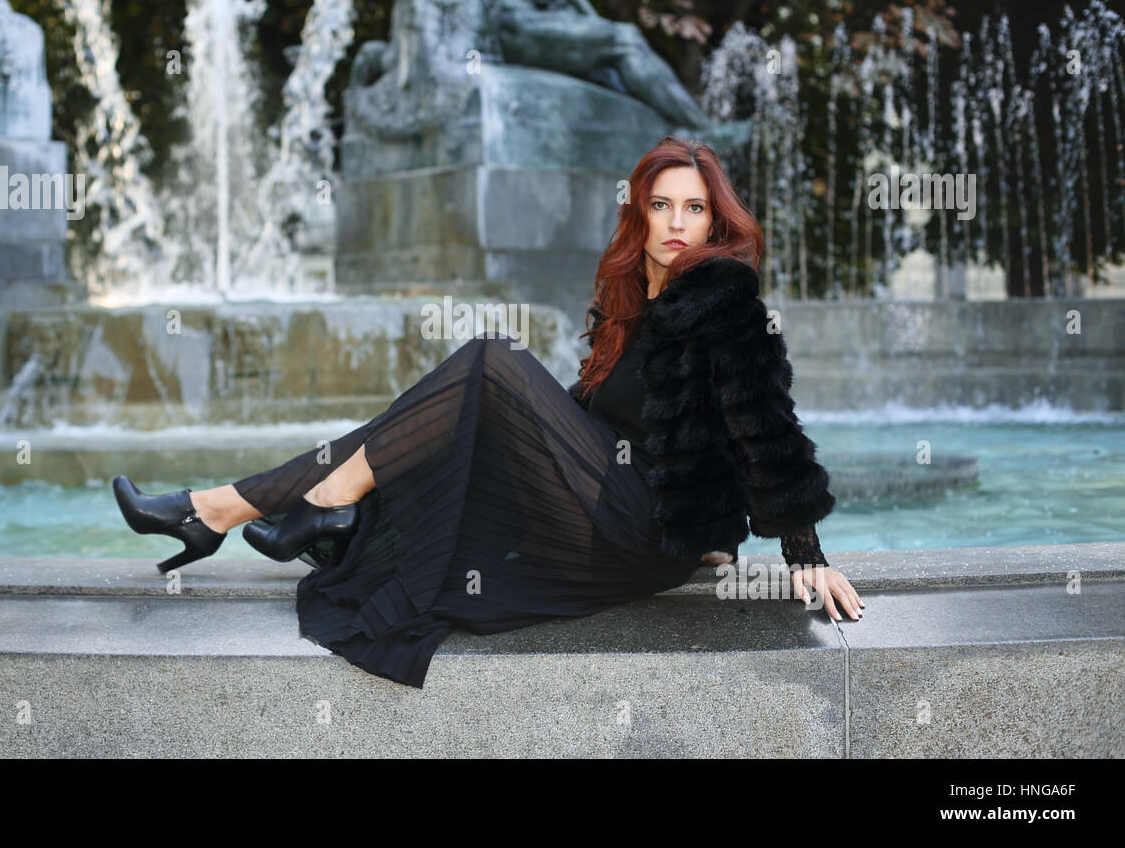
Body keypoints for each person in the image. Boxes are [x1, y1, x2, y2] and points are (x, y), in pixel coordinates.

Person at [112, 135, 864, 689]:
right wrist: (715, 531)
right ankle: (218, 508)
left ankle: (282, 506)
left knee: (490, 360)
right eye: (660, 204)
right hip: (617, 506)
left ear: (713, 221)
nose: (676, 222)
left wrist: (805, 554)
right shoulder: (631, 300)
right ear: (639, 212)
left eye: (693, 208)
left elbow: (760, 425)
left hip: (638, 529)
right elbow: (620, 425)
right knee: (425, 425)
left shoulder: (723, 297)